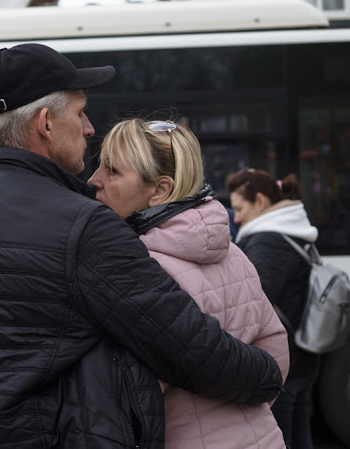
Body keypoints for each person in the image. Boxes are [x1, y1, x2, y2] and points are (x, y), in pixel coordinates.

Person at [0, 43, 283, 449]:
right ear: (46, 123)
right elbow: (189, 348)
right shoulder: (83, 226)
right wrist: (268, 375)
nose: (89, 128)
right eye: (79, 113)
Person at [88, 118, 289, 448]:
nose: (94, 180)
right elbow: (274, 343)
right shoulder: (235, 252)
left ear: (160, 190)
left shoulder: (139, 266)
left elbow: (134, 393)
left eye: (112, 171)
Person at [227, 168, 320, 449]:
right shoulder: (295, 230)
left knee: (281, 437)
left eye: (239, 208)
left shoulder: (268, 240)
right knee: (300, 431)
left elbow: (255, 301)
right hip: (304, 350)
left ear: (260, 202)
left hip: (284, 357)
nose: (237, 218)